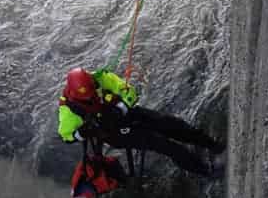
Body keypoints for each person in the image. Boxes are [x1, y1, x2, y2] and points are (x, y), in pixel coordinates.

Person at [58, 67, 224, 177]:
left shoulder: (99, 78)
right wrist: (82, 133)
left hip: (127, 115)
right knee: (163, 144)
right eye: (87, 97)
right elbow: (66, 136)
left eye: (92, 91)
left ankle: (212, 144)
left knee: (170, 124)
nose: (92, 96)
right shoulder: (68, 110)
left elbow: (129, 91)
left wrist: (121, 108)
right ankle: (205, 171)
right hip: (114, 133)